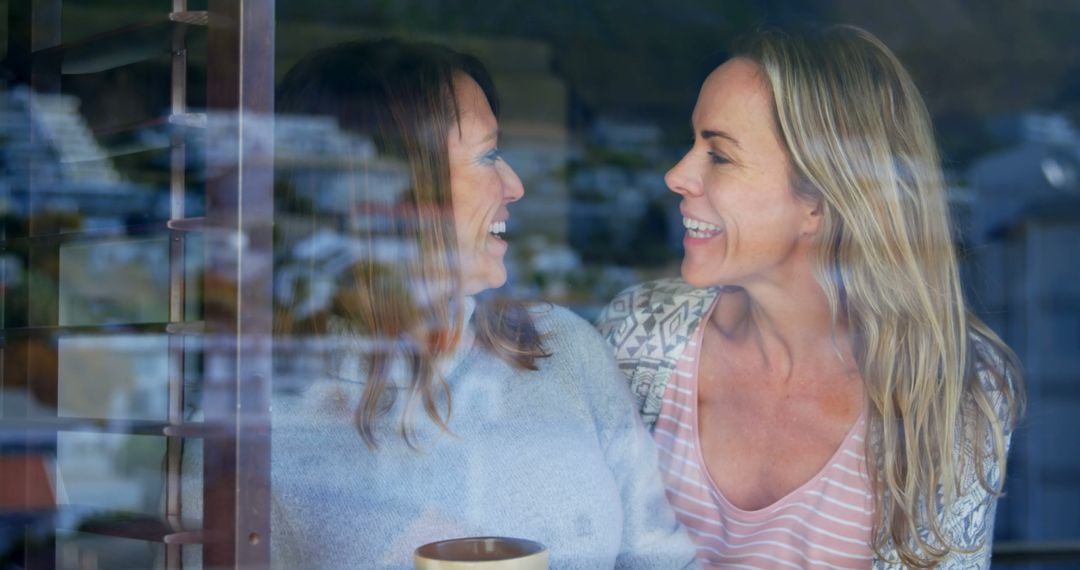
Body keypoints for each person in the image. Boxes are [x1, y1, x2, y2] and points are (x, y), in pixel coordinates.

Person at [176, 39, 696, 570]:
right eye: (488, 155)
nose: (514, 185)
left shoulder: (564, 350)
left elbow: (665, 561)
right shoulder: (258, 428)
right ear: (394, 189)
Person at [596, 26, 1023, 569]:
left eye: (719, 156)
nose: (677, 174)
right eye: (692, 144)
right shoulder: (640, 332)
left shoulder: (952, 389)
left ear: (818, 202)